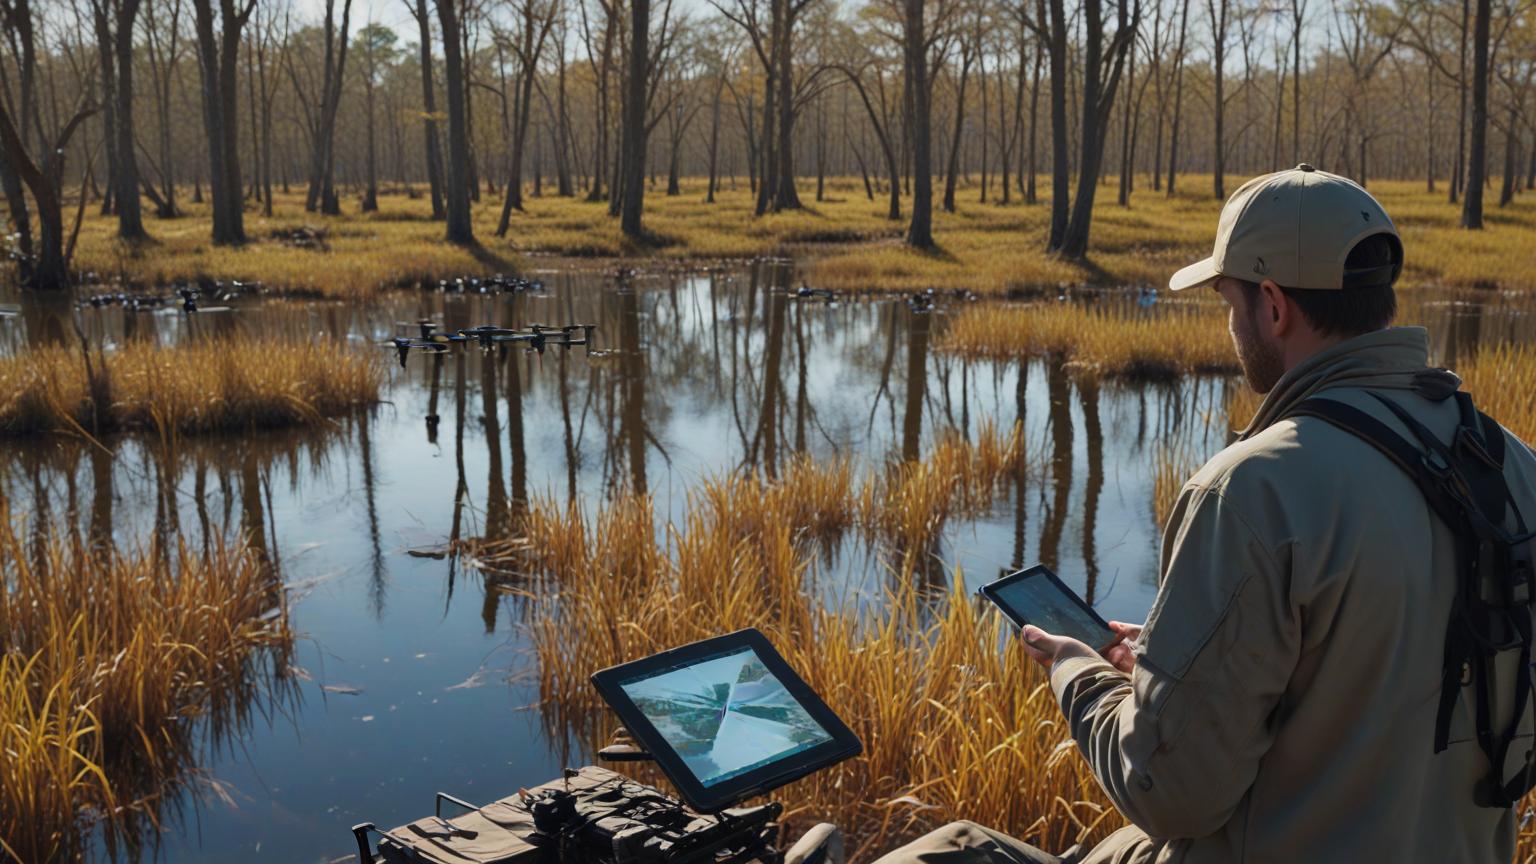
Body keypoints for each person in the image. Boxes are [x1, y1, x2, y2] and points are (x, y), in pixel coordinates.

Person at [875, 164, 1536, 864]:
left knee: (951, 850)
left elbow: (1171, 794)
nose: (1230, 324)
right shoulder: (1511, 463)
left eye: (1229, 300)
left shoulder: (1253, 489)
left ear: (1274, 305)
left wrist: (1079, 673)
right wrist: (1172, 672)